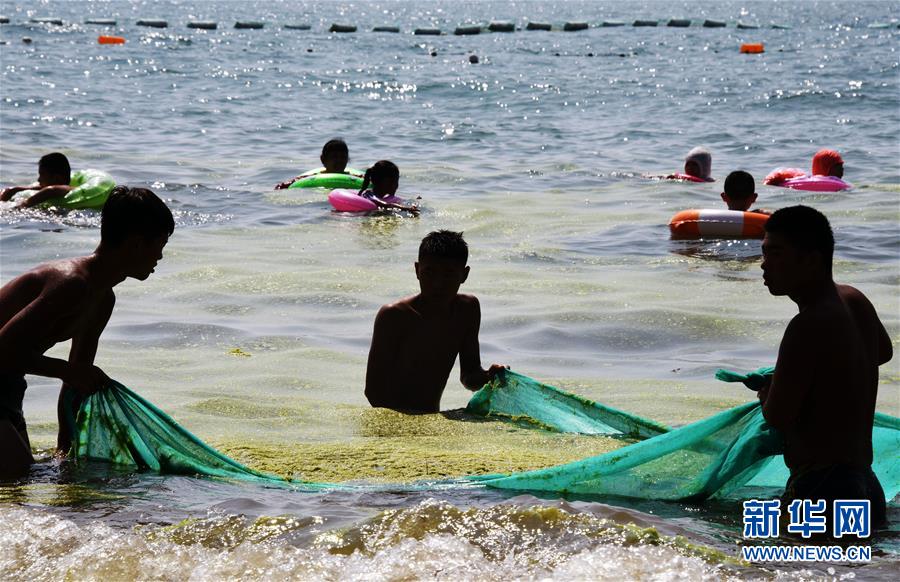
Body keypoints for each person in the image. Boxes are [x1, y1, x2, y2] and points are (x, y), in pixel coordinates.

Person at [0, 186, 174, 479]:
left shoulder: (103, 299)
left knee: (19, 484)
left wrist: (64, 446)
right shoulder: (72, 283)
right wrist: (68, 371)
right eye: (159, 243)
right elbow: (3, 349)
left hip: (8, 385)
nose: (160, 255)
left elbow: (75, 380)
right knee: (19, 474)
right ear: (134, 243)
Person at [757, 205, 892, 527]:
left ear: (812, 259)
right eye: (764, 253)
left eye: (776, 253)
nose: (763, 265)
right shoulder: (854, 299)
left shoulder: (806, 325)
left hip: (822, 489)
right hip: (865, 485)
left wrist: (767, 390)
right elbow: (882, 352)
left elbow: (778, 415)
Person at [365, 230, 506, 412]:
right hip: (396, 425)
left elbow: (469, 376)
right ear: (417, 270)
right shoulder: (394, 316)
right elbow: (374, 392)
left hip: (433, 420)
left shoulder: (467, 309)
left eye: (448, 274)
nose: (438, 283)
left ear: (464, 275)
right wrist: (407, 427)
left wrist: (489, 377)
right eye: (429, 272)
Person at [274, 138, 356, 190]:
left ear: (347, 159)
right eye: (334, 157)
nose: (339, 160)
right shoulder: (313, 177)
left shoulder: (355, 178)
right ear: (323, 159)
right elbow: (284, 186)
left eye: (343, 157)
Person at [0, 152, 73, 208]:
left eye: (42, 175)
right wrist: (15, 189)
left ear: (56, 178)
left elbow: (51, 190)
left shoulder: (69, 190)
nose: (38, 179)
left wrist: (24, 205)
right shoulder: (54, 188)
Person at [355, 160, 420, 215]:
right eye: (395, 181)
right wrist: (406, 209)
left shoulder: (377, 196)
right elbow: (386, 205)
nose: (396, 185)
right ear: (387, 182)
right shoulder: (368, 195)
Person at [764, 148, 844, 186]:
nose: (842, 170)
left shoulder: (840, 185)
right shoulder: (800, 178)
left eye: (842, 166)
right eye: (838, 166)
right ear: (826, 167)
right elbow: (778, 175)